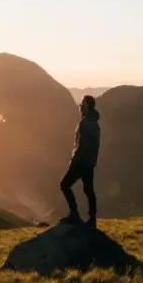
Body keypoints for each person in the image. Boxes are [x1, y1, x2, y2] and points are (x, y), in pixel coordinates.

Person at [60, 95, 100, 227]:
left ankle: (74, 214)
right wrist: (92, 160)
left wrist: (74, 160)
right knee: (89, 189)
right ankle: (92, 219)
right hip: (89, 163)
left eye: (82, 103)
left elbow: (82, 145)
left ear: (87, 105)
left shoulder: (85, 123)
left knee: (65, 185)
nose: (80, 105)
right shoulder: (94, 123)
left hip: (81, 162)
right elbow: (94, 145)